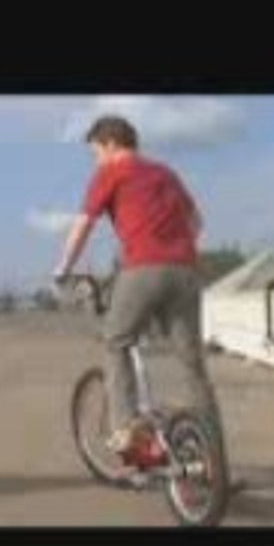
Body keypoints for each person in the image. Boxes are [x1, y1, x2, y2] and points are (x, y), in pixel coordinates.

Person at [52, 115, 224, 457]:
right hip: (186, 270)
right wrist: (172, 246)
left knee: (116, 340)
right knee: (192, 364)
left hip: (144, 267)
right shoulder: (166, 173)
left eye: (96, 152)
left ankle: (127, 429)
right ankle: (214, 459)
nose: (96, 161)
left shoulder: (112, 172)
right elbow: (196, 223)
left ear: (111, 144)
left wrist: (63, 268)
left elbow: (84, 224)